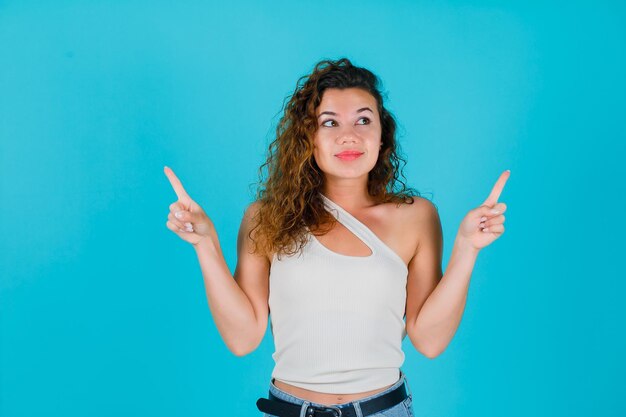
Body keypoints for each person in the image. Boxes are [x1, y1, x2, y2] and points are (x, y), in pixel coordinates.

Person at [164, 58, 510, 417]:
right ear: (307, 138)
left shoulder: (416, 216)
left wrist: (468, 248)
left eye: (363, 120)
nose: (349, 135)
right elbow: (242, 338)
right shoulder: (266, 218)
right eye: (330, 122)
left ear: (382, 136)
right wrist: (205, 244)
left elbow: (430, 340)